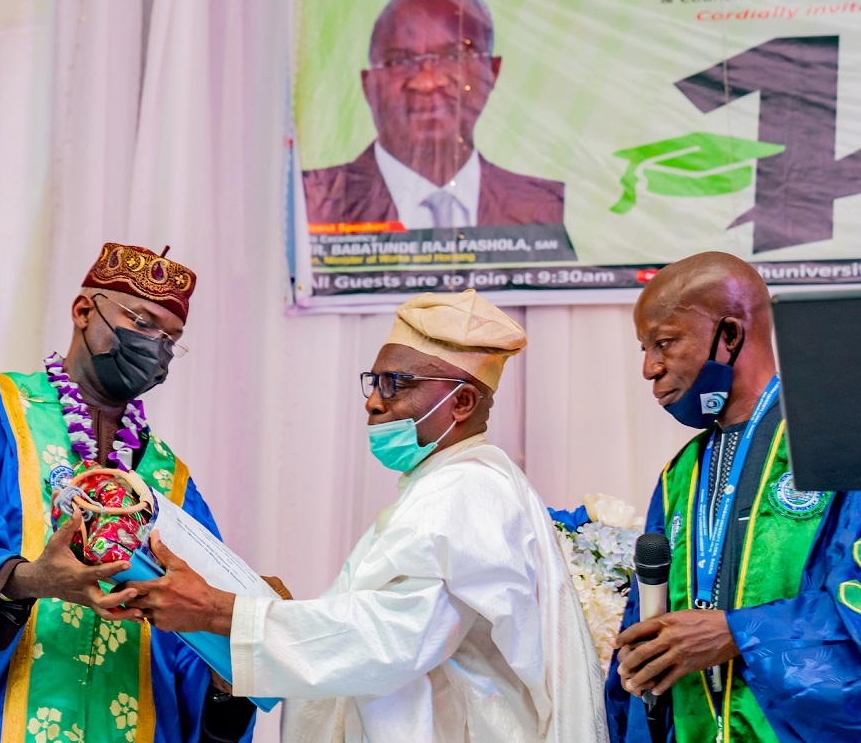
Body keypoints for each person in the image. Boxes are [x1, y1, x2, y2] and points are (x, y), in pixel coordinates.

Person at [114, 289, 609, 742]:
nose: (373, 402)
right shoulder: (441, 485)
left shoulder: (469, 488)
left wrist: (221, 611)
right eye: (374, 381)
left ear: (461, 402)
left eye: (396, 383)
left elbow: (393, 639)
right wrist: (260, 610)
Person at [0, 243, 257, 743]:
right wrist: (32, 580)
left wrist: (235, 658)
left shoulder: (170, 482)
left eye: (171, 338)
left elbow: (193, 649)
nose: (155, 344)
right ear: (83, 310)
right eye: (142, 321)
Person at [606, 251, 861, 742]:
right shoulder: (679, 474)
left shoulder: (837, 445)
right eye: (644, 348)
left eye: (663, 343)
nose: (648, 369)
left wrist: (738, 633)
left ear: (729, 335)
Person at [303, 0, 565, 230]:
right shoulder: (314, 200)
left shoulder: (540, 207)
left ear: (492, 72)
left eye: (455, 56)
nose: (426, 81)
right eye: (399, 61)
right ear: (368, 84)